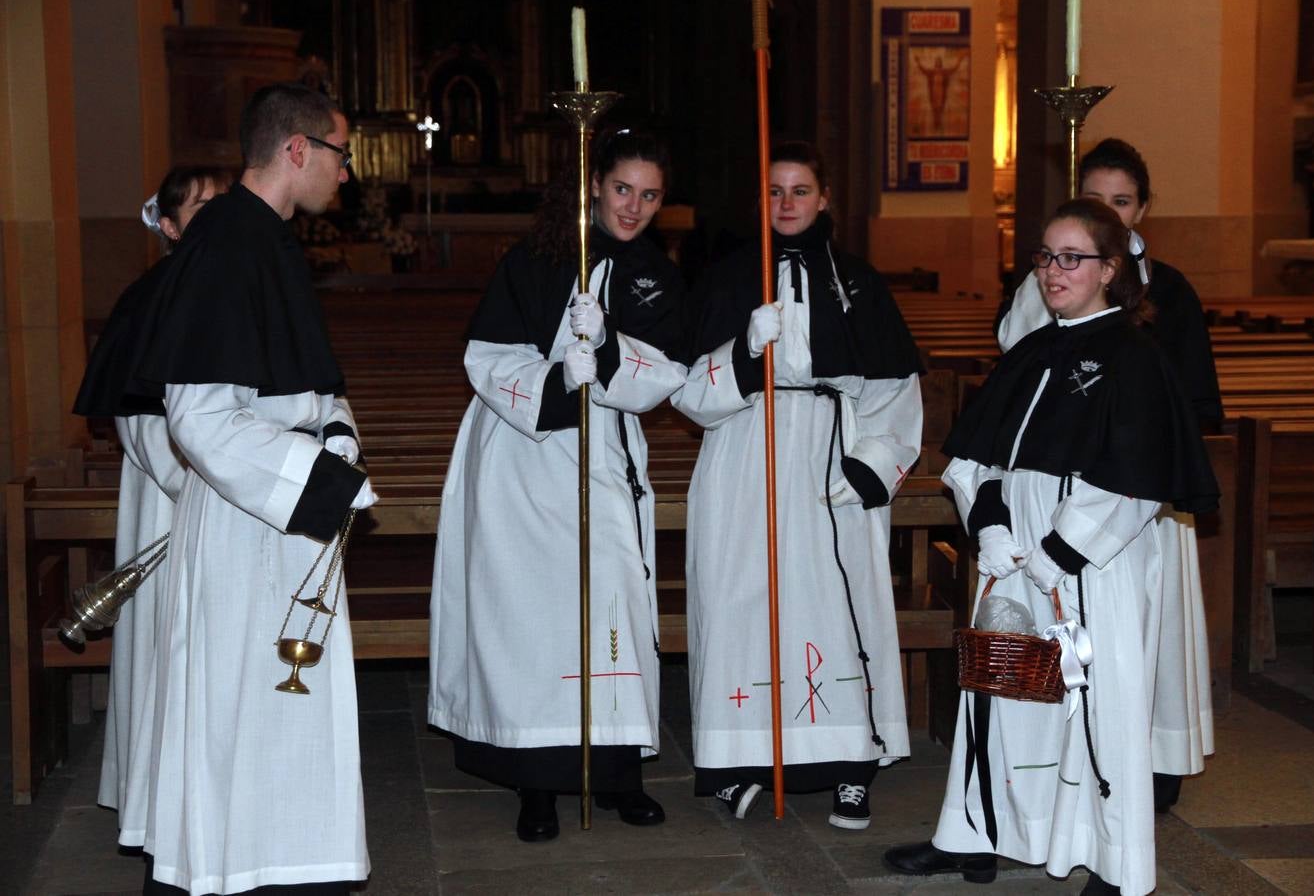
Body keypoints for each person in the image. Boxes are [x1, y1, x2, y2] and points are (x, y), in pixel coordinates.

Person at [884, 198, 1218, 896]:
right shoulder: (1034, 351)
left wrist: (1056, 555)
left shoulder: (1134, 357)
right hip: (1011, 556)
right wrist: (994, 527)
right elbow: (978, 460)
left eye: (1072, 258)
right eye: (1044, 256)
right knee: (999, 696)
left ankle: (1112, 858)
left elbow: (1135, 481)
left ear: (1109, 270)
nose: (1053, 271)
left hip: (1088, 562)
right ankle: (976, 833)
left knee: (1095, 704)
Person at [127, 83, 375, 894]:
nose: (348, 172)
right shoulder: (231, 243)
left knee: (276, 716)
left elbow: (296, 383)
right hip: (249, 520)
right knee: (243, 711)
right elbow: (199, 415)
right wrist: (321, 478)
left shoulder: (261, 239)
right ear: (298, 148)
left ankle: (284, 860)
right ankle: (238, 866)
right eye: (340, 153)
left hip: (272, 512)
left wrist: (334, 426)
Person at [426, 128, 687, 843]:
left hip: (603, 456)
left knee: (613, 609)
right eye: (621, 189)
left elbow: (668, 374)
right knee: (535, 621)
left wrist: (605, 350)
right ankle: (537, 785)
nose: (633, 206)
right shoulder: (534, 260)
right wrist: (554, 377)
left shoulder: (655, 276)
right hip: (524, 456)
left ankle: (616, 775)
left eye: (650, 194)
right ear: (594, 185)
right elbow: (485, 357)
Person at [672, 141, 923, 831]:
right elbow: (690, 396)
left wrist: (869, 463)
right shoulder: (725, 279)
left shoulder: (859, 281)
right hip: (743, 454)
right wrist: (745, 354)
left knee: (836, 607)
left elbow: (895, 387)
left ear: (825, 198)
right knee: (739, 603)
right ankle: (734, 762)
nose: (787, 203)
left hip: (829, 456)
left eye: (801, 190)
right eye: (775, 191)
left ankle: (850, 764)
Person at [995, 139, 1222, 812]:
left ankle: (1144, 760)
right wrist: (1061, 283)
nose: (1110, 213)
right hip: (1060, 490)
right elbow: (1023, 356)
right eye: (1096, 201)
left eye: (1121, 202)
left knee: (1139, 637)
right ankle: (1050, 772)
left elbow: (1181, 399)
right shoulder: (1053, 278)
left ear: (1143, 208)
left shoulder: (1169, 288)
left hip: (1132, 493)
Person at [73, 164, 231, 851]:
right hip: (183, 507)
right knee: (174, 663)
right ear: (167, 227)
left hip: (230, 504)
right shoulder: (152, 300)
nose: (214, 217)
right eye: (199, 208)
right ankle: (167, 815)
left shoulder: (239, 290)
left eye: (223, 205)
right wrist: (223, 489)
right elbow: (141, 424)